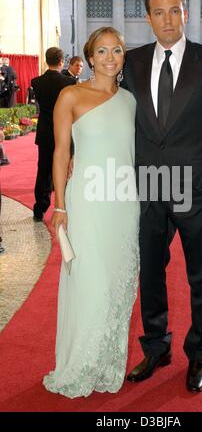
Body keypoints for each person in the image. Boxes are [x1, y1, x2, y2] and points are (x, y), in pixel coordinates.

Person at [123, 0, 202, 392]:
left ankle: (199, 355)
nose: (168, 19)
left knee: (201, 277)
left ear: (184, 13)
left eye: (175, 11)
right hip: (148, 188)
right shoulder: (132, 63)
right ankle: (156, 347)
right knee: (150, 273)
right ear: (148, 17)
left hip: (197, 188)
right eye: (159, 12)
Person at [43, 27, 140, 398]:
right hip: (87, 201)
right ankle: (79, 363)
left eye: (117, 50)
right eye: (102, 51)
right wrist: (60, 204)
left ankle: (107, 362)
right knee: (89, 281)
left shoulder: (130, 101)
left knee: (118, 283)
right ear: (89, 56)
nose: (110, 57)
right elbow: (60, 153)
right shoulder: (71, 95)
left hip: (124, 203)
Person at [31, 47, 75, 222]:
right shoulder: (69, 83)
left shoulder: (36, 81)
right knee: (66, 170)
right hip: (64, 131)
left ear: (46, 61)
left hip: (44, 132)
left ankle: (39, 209)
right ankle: (66, 206)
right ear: (61, 61)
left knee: (43, 170)